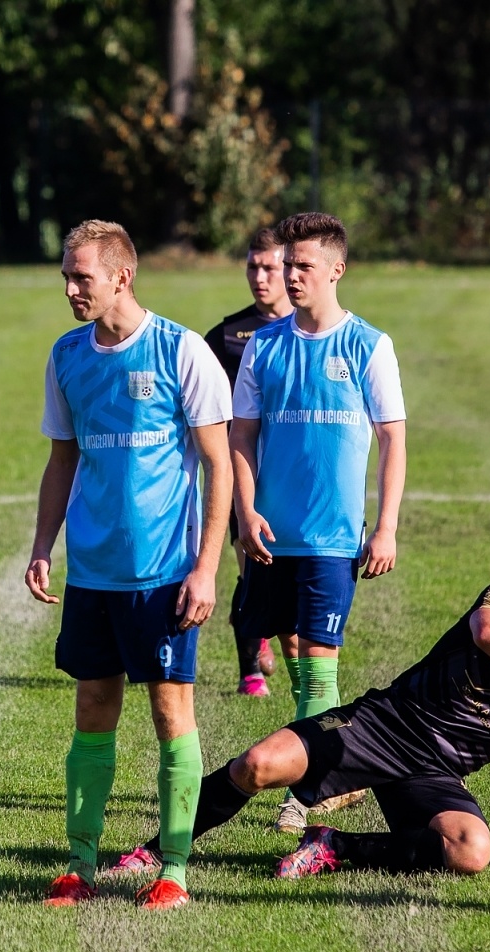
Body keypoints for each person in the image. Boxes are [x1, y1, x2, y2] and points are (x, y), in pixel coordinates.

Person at [108, 564, 490, 881]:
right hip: (384, 727)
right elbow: (486, 632)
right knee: (257, 765)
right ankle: (157, 853)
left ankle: (333, 846)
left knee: (471, 851)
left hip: (435, 774)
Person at [25, 220, 233, 911]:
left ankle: (173, 867)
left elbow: (218, 466)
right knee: (92, 710)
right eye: (65, 275)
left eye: (80, 276)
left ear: (122, 276)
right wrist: (41, 546)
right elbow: (62, 460)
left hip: (165, 573)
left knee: (172, 714)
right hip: (92, 572)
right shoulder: (66, 356)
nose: (69, 288)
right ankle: (80, 862)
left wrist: (205, 569)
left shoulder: (183, 352)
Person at [230, 212, 408, 834]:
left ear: (336, 270)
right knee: (283, 657)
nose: (290, 275)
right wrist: (245, 509)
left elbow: (392, 440)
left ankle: (309, 793)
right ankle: (336, 772)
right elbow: (242, 436)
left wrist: (384, 528)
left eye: (303, 265)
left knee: (317, 662)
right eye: (287, 264)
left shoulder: (368, 346)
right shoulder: (264, 345)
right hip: (271, 537)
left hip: (334, 538)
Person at [202, 227, 293, 698]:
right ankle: (250, 672)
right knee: (251, 571)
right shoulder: (226, 335)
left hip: (295, 475)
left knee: (293, 571)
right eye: (252, 267)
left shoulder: (311, 328)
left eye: (269, 267)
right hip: (245, 474)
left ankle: (283, 637)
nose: (260, 277)